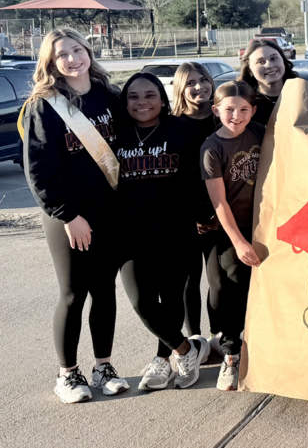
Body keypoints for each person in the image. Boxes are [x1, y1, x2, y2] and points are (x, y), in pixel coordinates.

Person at [23, 28, 129, 403]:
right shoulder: (45, 105)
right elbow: (39, 169)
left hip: (109, 212)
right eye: (61, 55)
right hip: (68, 217)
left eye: (76, 49)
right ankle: (68, 375)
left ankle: (104, 366)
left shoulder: (109, 96)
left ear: (88, 50)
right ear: (50, 63)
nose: (71, 59)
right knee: (73, 293)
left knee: (104, 290)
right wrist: (69, 215)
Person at [115, 73, 210, 391]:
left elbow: (201, 177)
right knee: (142, 301)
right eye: (133, 96)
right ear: (125, 101)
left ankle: (161, 360)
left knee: (171, 297)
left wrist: (203, 213)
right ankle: (185, 349)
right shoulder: (117, 135)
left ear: (162, 98)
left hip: (176, 229)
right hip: (129, 232)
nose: (141, 102)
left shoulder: (182, 130)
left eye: (149, 95)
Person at [201, 81, 265, 391]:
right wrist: (238, 241)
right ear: (216, 111)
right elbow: (219, 202)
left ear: (253, 110)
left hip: (263, 226)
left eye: (243, 110)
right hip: (231, 231)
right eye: (229, 110)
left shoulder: (261, 133)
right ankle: (230, 357)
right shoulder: (212, 148)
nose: (236, 116)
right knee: (233, 291)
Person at [170, 62, 224, 358]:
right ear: (180, 88)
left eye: (203, 79)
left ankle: (218, 337)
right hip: (186, 218)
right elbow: (171, 178)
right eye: (190, 82)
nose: (198, 86)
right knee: (189, 281)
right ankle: (194, 339)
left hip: (221, 214)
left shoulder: (224, 120)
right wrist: (194, 216)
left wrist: (218, 215)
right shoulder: (172, 125)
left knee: (218, 280)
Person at [238, 38, 297, 126]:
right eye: (261, 62)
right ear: (250, 70)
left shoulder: (303, 95)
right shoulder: (243, 104)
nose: (269, 65)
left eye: (274, 58)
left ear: (283, 62)